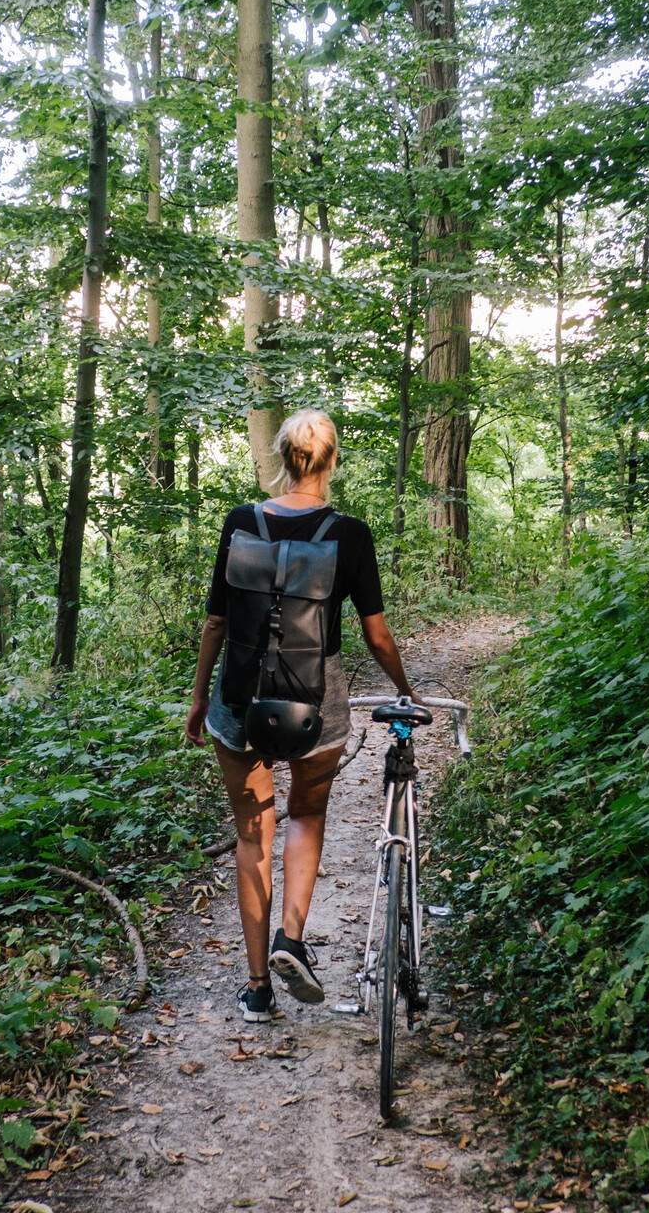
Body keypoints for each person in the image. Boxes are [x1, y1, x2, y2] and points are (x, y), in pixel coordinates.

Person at [186, 410, 417, 1023]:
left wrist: (199, 696)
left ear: (283, 458)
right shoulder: (350, 533)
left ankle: (258, 986)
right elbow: (376, 633)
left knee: (252, 831)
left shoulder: (241, 522)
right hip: (317, 699)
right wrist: (405, 689)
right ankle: (292, 937)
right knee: (306, 815)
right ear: (331, 459)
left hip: (239, 695)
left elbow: (215, 621)